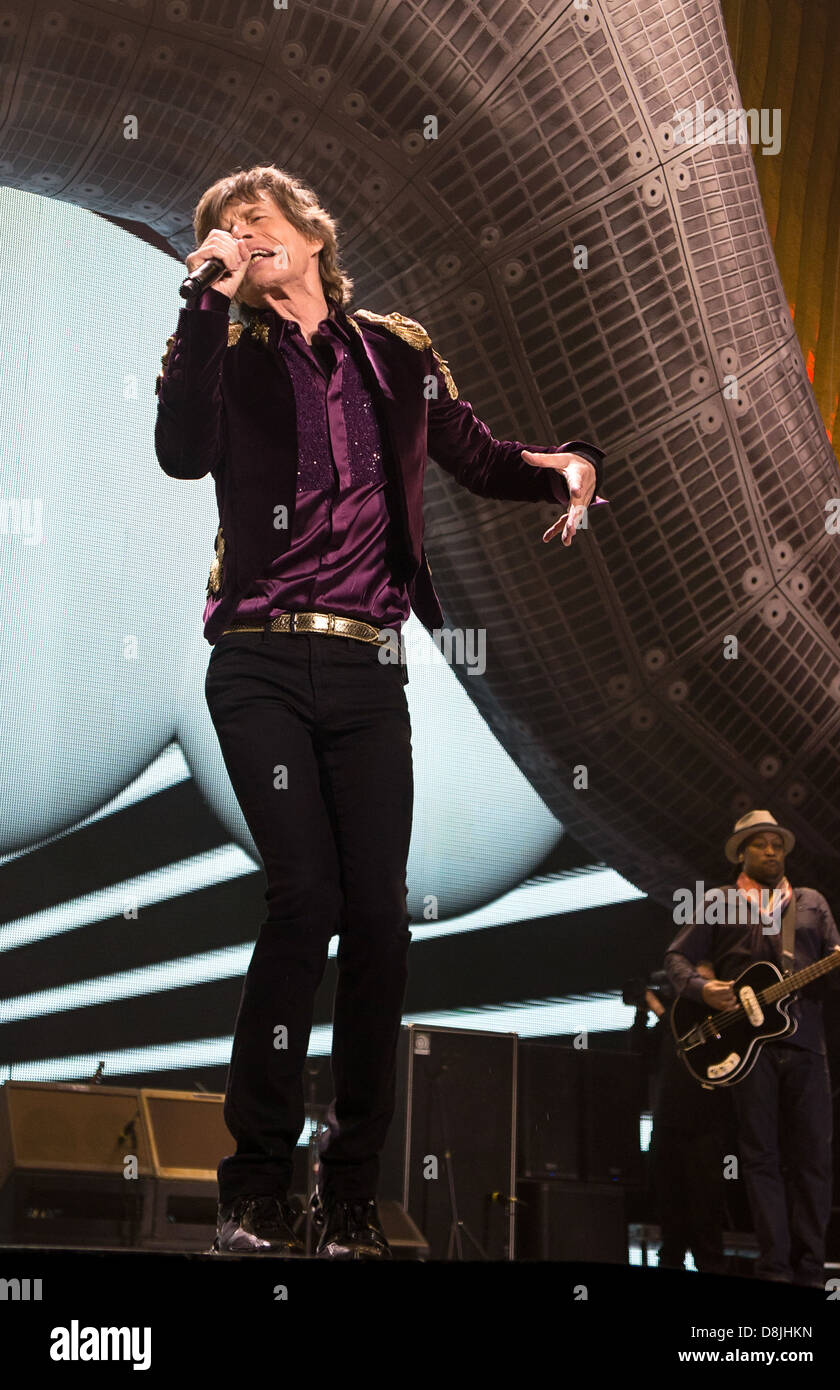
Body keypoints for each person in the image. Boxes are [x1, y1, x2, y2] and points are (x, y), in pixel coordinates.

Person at [154, 163, 607, 1259]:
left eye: (255, 221)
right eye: (221, 230)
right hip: (258, 660)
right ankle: (258, 1185)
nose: (238, 235)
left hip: (365, 672)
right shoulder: (223, 347)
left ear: (309, 235)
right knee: (302, 898)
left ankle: (350, 1195)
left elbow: (479, 454)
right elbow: (178, 451)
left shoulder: (393, 353)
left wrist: (566, 465)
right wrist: (203, 301)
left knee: (380, 924)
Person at [664, 810, 840, 1285]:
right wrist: (701, 989)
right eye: (760, 844)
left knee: (814, 1156)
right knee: (761, 1158)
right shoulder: (720, 901)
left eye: (777, 844)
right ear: (741, 853)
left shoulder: (812, 902)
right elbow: (675, 957)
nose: (772, 851)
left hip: (806, 1045)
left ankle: (810, 1269)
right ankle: (774, 1268)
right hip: (748, 1047)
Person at [643, 965, 731, 1274]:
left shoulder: (720, 1018)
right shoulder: (672, 1019)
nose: (695, 983)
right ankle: (671, 1261)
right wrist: (642, 1012)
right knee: (670, 1212)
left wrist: (655, 1005)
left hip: (704, 1126)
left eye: (702, 977)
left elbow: (684, 1034)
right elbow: (640, 1050)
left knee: (705, 1212)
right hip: (667, 1124)